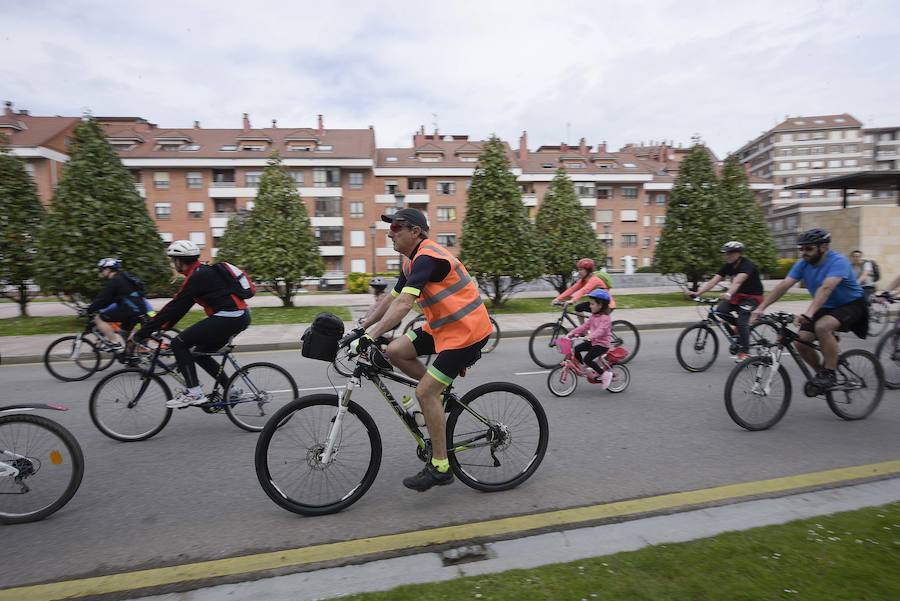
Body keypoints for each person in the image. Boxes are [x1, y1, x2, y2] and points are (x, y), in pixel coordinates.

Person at [354, 208, 493, 492]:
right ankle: (436, 397)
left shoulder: (429, 256)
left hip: (468, 331)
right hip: (444, 328)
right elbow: (392, 300)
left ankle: (441, 466)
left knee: (424, 391)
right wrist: (362, 327)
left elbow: (404, 306)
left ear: (415, 231)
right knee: (395, 351)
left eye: (396, 228)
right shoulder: (411, 263)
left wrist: (371, 336)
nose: (390, 233)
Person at [132, 240, 251, 408]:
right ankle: (230, 389)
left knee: (179, 343)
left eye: (174, 261)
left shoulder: (197, 276)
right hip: (236, 316)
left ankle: (194, 392)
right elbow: (180, 308)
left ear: (181, 261)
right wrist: (161, 327)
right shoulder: (200, 273)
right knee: (198, 353)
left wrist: (143, 332)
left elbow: (175, 306)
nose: (173, 264)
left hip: (229, 317)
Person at [751, 228, 867, 390]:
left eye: (809, 248)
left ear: (824, 247)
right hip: (825, 306)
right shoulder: (803, 264)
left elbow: (826, 289)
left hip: (851, 304)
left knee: (822, 326)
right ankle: (821, 376)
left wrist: (809, 312)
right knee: (801, 343)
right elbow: (784, 286)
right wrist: (761, 308)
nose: (804, 253)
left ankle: (830, 372)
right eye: (801, 249)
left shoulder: (838, 261)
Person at [688, 241, 764, 361]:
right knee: (720, 310)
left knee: (741, 321)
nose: (727, 255)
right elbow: (714, 281)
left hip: (752, 297)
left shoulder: (747, 265)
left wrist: (728, 293)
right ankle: (737, 331)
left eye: (730, 253)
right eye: (726, 253)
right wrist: (697, 293)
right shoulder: (728, 266)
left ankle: (745, 352)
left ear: (739, 253)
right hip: (738, 296)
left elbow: (737, 281)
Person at [84, 258, 152, 352]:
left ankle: (114, 343)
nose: (102, 272)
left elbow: (103, 299)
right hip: (137, 310)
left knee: (99, 318)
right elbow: (110, 300)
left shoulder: (115, 281)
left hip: (131, 311)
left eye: (102, 269)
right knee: (123, 333)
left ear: (108, 269)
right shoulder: (124, 277)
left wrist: (89, 310)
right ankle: (130, 358)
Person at [565, 289, 613, 385]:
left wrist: (590, 336)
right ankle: (583, 367)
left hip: (602, 344)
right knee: (577, 349)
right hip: (594, 341)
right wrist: (572, 332)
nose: (590, 306)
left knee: (588, 358)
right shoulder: (593, 316)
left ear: (600, 305)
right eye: (590, 304)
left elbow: (601, 330)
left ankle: (604, 374)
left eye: (592, 304)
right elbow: (584, 326)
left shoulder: (606, 318)